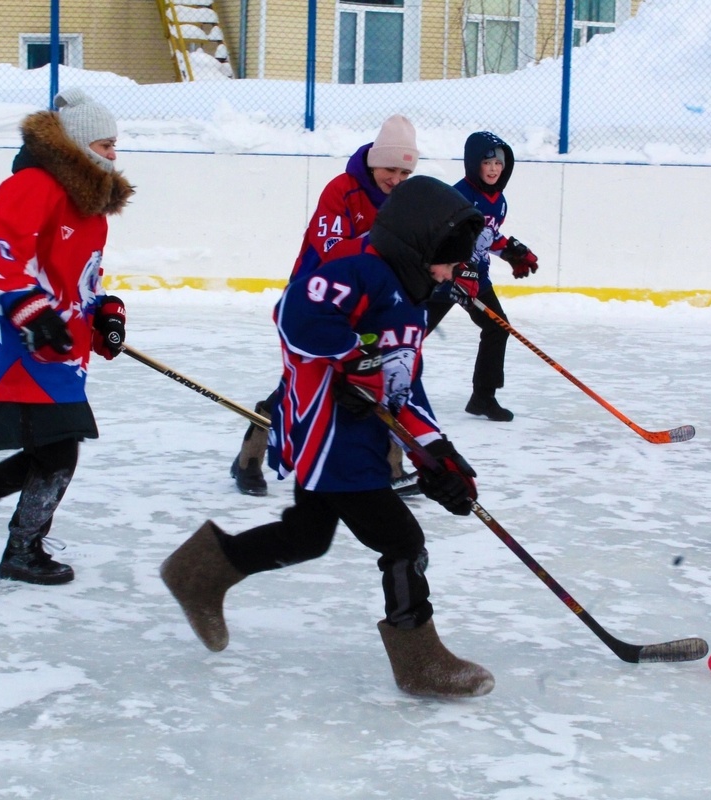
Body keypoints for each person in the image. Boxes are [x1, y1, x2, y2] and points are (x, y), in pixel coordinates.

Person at [161, 175, 495, 699]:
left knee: (306, 536)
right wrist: (351, 353)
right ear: (418, 245)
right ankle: (418, 660)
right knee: (402, 541)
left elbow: (403, 387)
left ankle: (199, 573)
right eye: (448, 260)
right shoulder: (355, 267)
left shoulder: (411, 298)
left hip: (358, 438)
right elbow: (294, 315)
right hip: (330, 436)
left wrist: (439, 456)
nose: (453, 273)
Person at [0, 88, 135, 585]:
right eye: (105, 144)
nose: (114, 154)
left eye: (114, 146)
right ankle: (20, 548)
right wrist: (29, 310)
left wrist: (106, 312)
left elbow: (83, 279)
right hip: (22, 348)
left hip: (58, 349)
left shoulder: (89, 205)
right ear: (79, 145)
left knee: (55, 449)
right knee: (61, 448)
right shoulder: (36, 185)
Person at [231, 114, 419, 497]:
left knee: (387, 377)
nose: (396, 180)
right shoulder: (342, 190)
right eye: (389, 169)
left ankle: (391, 467)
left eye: (404, 172)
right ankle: (248, 458)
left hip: (368, 305)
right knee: (301, 385)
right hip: (316, 304)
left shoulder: (405, 200)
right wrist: (384, 243)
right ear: (373, 161)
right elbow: (333, 254)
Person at [426, 131, 539, 422]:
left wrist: (511, 251)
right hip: (443, 278)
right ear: (474, 163)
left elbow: (486, 236)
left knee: (497, 328)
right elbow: (437, 238)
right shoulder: (457, 196)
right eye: (487, 162)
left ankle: (483, 397)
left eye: (498, 164)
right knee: (412, 332)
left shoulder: (499, 201)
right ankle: (378, 386)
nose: (493, 169)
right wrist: (455, 270)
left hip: (476, 278)